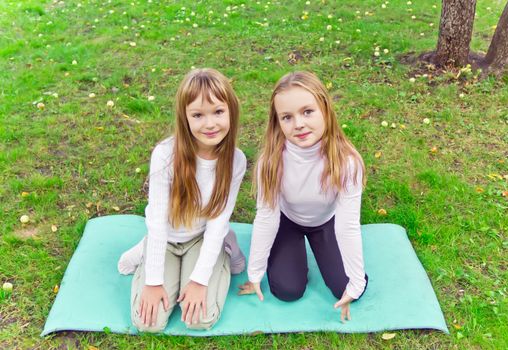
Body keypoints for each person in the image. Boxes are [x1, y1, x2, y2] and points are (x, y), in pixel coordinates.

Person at [118, 68, 247, 332]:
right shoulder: (166, 155)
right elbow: (156, 222)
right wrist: (153, 283)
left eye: (218, 112)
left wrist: (199, 280)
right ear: (184, 118)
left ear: (231, 111)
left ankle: (226, 248)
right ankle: (145, 252)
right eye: (198, 115)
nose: (210, 124)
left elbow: (217, 221)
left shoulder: (236, 160)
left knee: (201, 319)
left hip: (202, 237)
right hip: (164, 239)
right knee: (148, 323)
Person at [239, 71, 368, 322]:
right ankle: (293, 257)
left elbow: (348, 226)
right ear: (278, 122)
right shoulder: (271, 161)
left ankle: (334, 264)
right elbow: (266, 216)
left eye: (307, 111)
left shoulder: (347, 162)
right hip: (288, 222)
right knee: (287, 290)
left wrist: (354, 282)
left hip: (327, 223)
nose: (298, 124)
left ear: (325, 110)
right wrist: (254, 273)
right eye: (287, 117)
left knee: (350, 287)